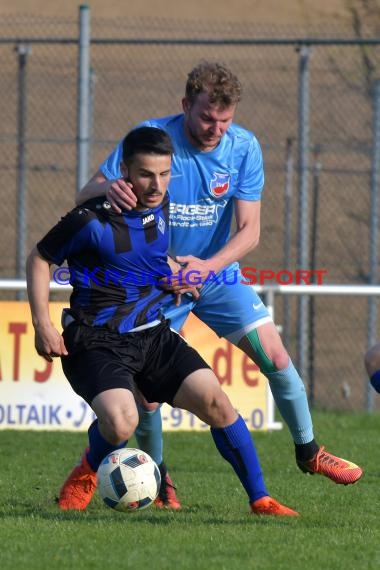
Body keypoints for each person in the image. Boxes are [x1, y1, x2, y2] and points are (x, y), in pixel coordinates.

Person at [74, 60, 362, 509]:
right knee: (146, 399)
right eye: (207, 117)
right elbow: (85, 193)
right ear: (186, 105)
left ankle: (309, 451)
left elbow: (249, 231)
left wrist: (205, 268)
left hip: (213, 271)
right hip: (157, 278)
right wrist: (108, 190)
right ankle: (159, 477)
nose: (216, 129)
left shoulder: (243, 148)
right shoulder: (153, 137)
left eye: (225, 121)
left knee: (277, 354)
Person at [26, 126, 299, 517]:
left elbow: (149, 258)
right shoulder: (89, 220)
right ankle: (86, 471)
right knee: (122, 422)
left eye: (164, 174)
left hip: (153, 336)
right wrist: (43, 324)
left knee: (217, 401)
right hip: (96, 341)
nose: (156, 185)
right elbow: (39, 259)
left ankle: (261, 499)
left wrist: (175, 273)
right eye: (145, 174)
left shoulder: (162, 206)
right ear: (124, 171)